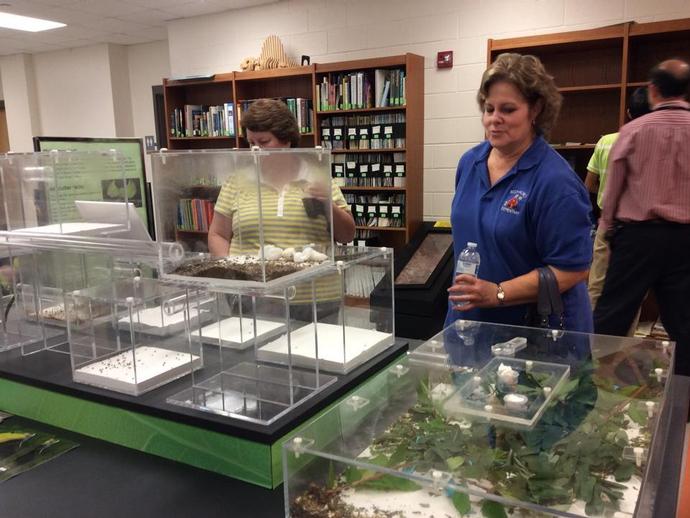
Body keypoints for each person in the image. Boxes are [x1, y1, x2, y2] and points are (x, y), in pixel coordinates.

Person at [446, 53, 593, 332]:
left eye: (508, 110)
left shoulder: (556, 182)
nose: (494, 120)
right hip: (470, 322)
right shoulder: (470, 162)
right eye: (489, 109)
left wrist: (498, 292)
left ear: (535, 109)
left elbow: (573, 269)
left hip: (535, 333)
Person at [594, 59, 690, 374]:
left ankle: (594, 384)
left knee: (612, 314)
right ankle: (682, 398)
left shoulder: (633, 130)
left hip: (638, 237)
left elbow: (613, 191)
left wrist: (607, 230)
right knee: (683, 322)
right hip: (685, 239)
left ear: (652, 90)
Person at [208, 98, 355, 257]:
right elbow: (218, 235)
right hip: (252, 280)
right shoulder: (236, 181)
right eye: (251, 143)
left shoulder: (316, 177)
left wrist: (328, 205)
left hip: (311, 280)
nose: (255, 149)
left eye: (264, 141)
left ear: (287, 139)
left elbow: (347, 235)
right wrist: (229, 270)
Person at [585, 87, 650, 335]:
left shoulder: (606, 141)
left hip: (606, 224)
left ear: (628, 112)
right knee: (632, 291)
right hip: (640, 229)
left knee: (596, 286)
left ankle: (587, 341)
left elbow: (588, 184)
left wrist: (604, 194)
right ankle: (624, 345)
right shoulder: (651, 143)